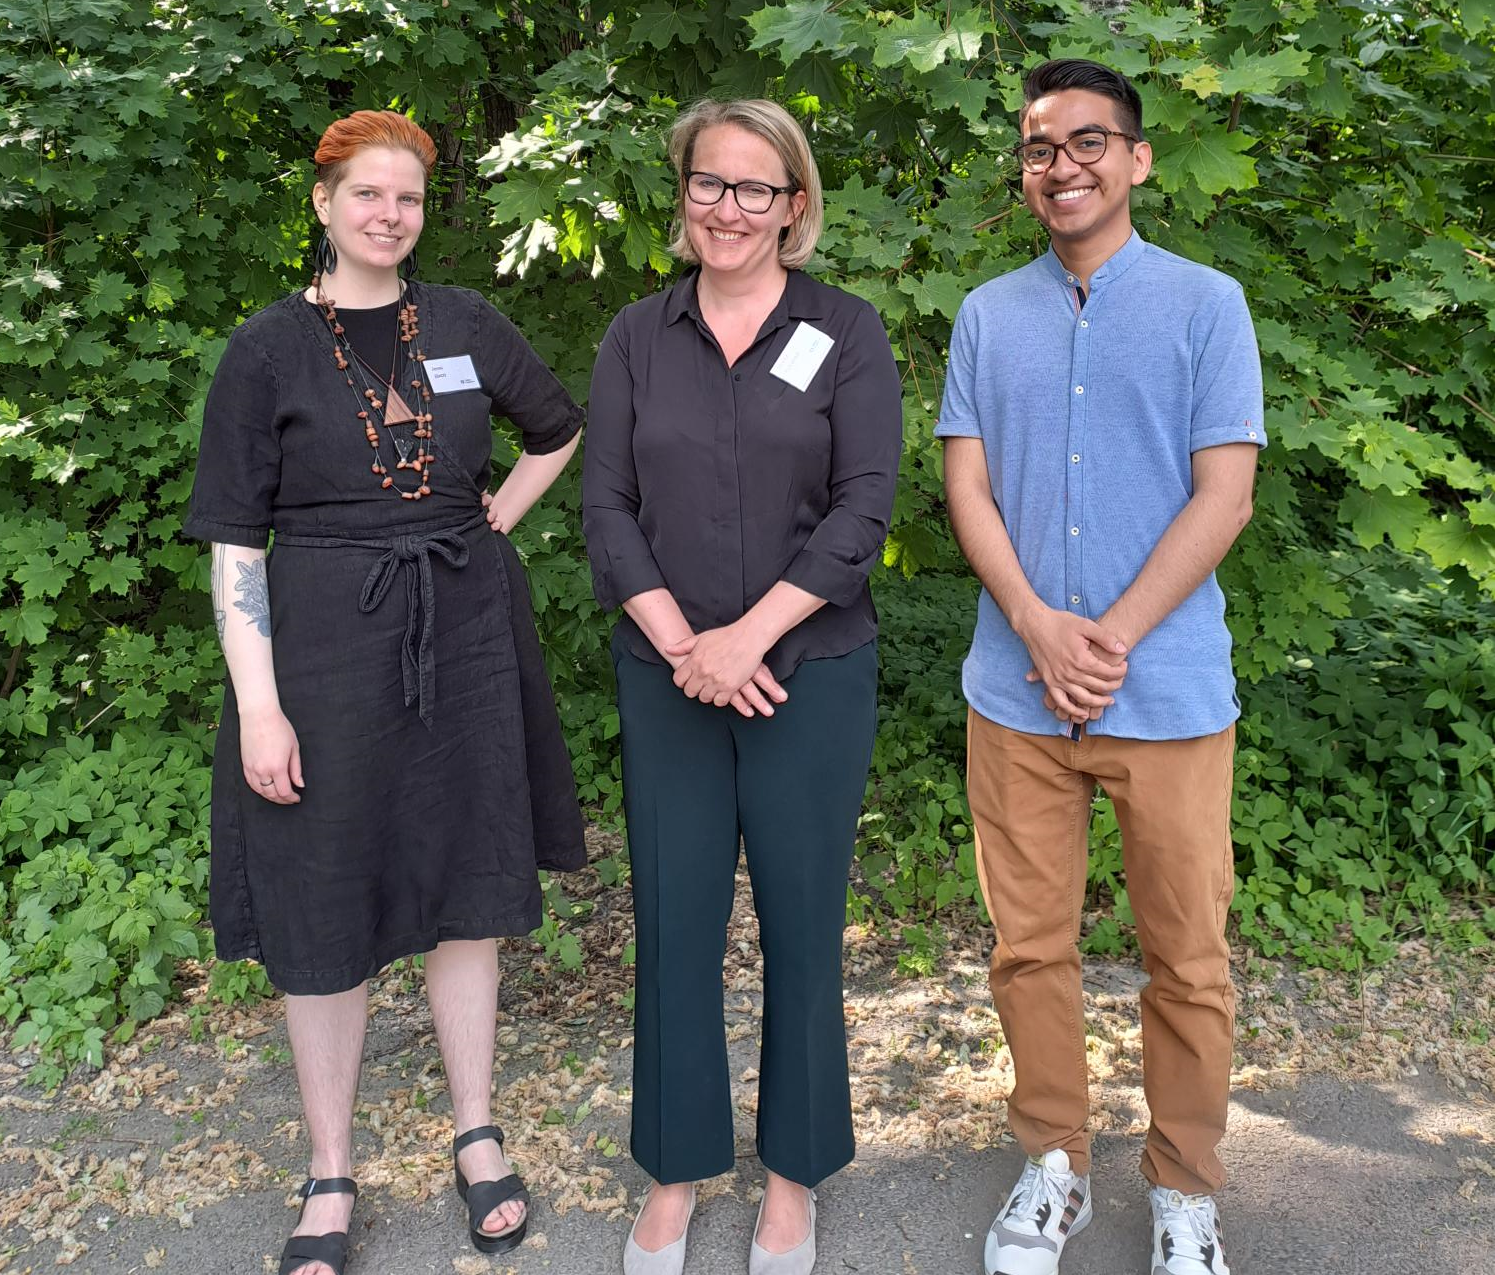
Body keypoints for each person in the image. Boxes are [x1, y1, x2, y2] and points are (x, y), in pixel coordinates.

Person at [183, 110, 587, 1275]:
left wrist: (495, 517)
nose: (388, 215)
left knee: (468, 884)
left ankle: (476, 1132)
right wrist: (260, 705)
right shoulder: (266, 349)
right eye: (366, 195)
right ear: (323, 203)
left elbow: (555, 428)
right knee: (326, 900)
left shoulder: (461, 321)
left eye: (407, 198)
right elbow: (234, 547)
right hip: (319, 647)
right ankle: (330, 1167)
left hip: (463, 629)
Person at [937, 59, 1263, 1275]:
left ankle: (1184, 1188)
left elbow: (1222, 495)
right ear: (1022, 171)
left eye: (1087, 142)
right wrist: (1032, 622)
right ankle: (1054, 1165)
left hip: (1167, 695)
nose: (1061, 164)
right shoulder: (986, 314)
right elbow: (964, 484)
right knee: (1028, 948)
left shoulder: (1205, 305)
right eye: (1037, 148)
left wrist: (1106, 634)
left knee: (1186, 958)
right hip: (1013, 690)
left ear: (1133, 157)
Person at [582, 98, 902, 1275]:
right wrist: (686, 648)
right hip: (666, 676)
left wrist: (746, 642)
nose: (727, 208)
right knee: (672, 923)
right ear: (684, 199)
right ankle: (672, 1174)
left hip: (806, 676)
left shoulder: (847, 332)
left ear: (795, 206)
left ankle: (791, 1182)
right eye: (708, 184)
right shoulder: (635, 335)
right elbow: (606, 509)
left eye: (754, 189)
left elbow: (864, 510)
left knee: (803, 927)